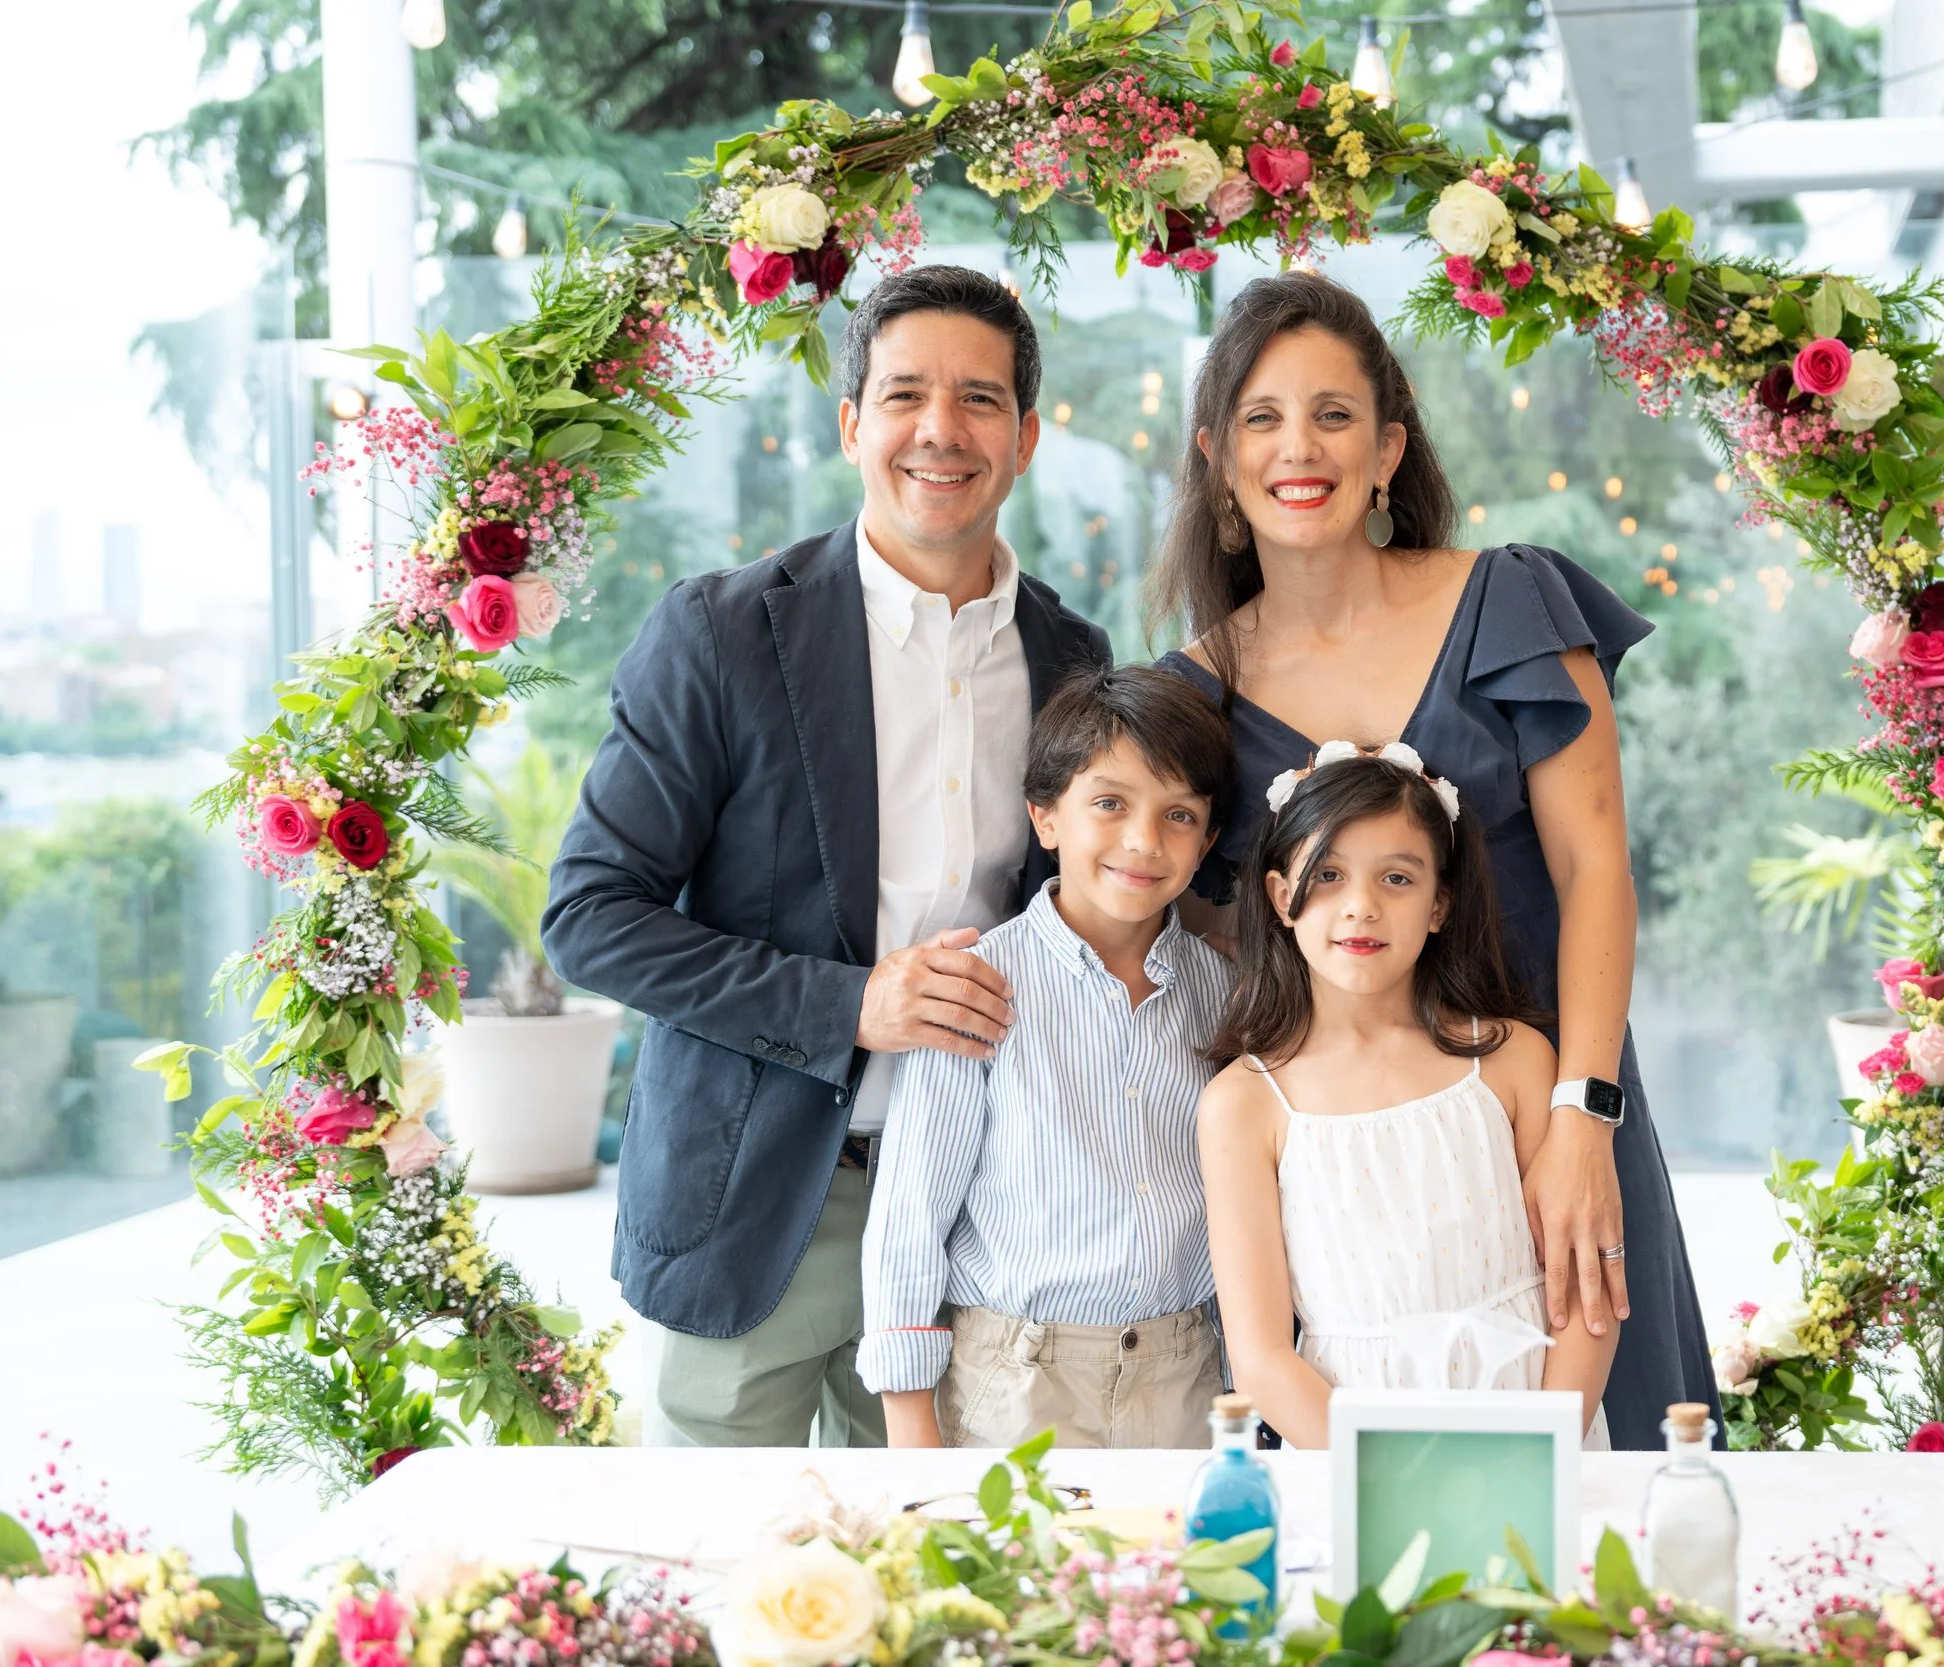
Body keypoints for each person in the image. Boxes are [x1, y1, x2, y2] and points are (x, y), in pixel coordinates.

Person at [541, 266, 1111, 1448]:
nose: (940, 429)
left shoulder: (1074, 657)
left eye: (979, 399)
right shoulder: (721, 632)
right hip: (752, 1202)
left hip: (979, 1214)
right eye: (904, 394)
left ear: (1025, 437)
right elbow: (591, 915)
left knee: (936, 1547)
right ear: (852, 424)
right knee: (723, 1549)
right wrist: (852, 1004)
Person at [1151, 271, 1719, 1447]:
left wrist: (1583, 1116)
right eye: (1261, 417)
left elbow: (1596, 870)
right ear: (1216, 457)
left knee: (1601, 1453)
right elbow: (1212, 930)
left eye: (1333, 414)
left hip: (1553, 1100)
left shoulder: (1509, 600)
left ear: (1388, 449)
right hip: (1359, 1180)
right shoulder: (1190, 699)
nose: (1298, 448)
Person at [857, 665, 1239, 1449]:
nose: (1143, 840)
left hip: (1186, 1373)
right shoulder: (975, 986)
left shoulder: (1225, 995)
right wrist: (910, 1427)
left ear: (1205, 842)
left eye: (1179, 815)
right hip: (1013, 1379)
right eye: (1110, 803)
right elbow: (910, 1216)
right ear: (1045, 815)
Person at [1197, 745, 1616, 1448]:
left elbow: (1584, 1293)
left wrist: (1534, 1453)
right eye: (1327, 875)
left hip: (1534, 1433)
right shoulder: (1244, 1104)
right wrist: (1394, 1481)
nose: (1361, 906)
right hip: (1355, 1452)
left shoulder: (1512, 1060)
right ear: (1279, 897)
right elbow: (1262, 1360)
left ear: (1439, 904)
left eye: (1396, 877)